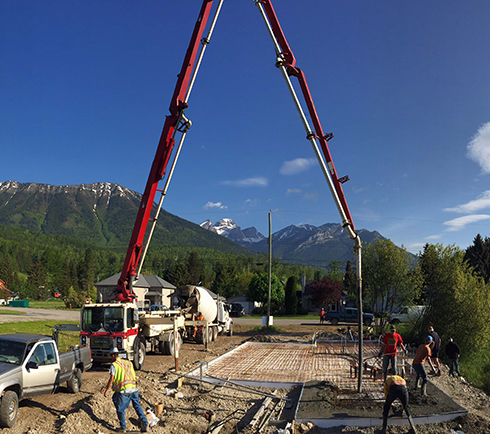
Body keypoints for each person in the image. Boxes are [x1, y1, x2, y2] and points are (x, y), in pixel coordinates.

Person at [101, 348, 148, 433]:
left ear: (113, 355)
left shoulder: (114, 365)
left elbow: (111, 378)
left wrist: (107, 390)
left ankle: (123, 428)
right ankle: (145, 424)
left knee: (120, 409)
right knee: (136, 405)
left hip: (125, 391)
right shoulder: (128, 363)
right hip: (134, 388)